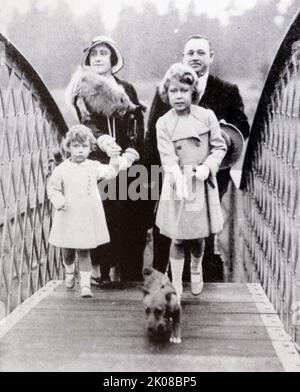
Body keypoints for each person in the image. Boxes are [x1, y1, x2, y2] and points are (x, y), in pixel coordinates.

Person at [144, 34, 250, 280]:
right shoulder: (168, 86)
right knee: (166, 229)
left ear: (210, 57)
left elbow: (242, 127)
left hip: (207, 175)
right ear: (183, 57)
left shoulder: (227, 90)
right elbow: (152, 132)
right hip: (171, 174)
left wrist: (224, 129)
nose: (195, 57)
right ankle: (163, 282)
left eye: (200, 52)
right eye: (190, 52)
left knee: (201, 230)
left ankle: (198, 282)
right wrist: (155, 175)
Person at [66, 36, 146, 283]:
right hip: (100, 159)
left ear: (113, 59)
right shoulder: (82, 87)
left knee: (132, 218)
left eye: (103, 53)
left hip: (128, 162)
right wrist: (100, 140)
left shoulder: (127, 88)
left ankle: (130, 275)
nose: (98, 57)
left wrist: (132, 151)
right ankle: (102, 272)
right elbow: (85, 119)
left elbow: (136, 120)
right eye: (94, 54)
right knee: (104, 214)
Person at [155, 63, 227, 298]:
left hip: (201, 182)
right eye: (173, 91)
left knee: (197, 236)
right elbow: (166, 156)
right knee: (177, 237)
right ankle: (176, 281)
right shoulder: (164, 122)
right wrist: (176, 175)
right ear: (167, 93)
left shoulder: (207, 116)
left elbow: (219, 146)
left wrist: (209, 166)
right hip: (178, 183)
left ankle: (196, 270)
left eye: (183, 91)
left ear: (193, 92)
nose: (178, 96)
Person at [47, 125, 121, 297]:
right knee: (68, 250)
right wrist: (59, 201)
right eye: (76, 146)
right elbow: (53, 188)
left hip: (87, 215)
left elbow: (110, 172)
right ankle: (70, 270)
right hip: (68, 213)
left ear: (90, 148)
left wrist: (115, 158)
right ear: (68, 148)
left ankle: (86, 285)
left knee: (84, 249)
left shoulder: (93, 166)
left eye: (84, 146)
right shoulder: (62, 169)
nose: (80, 151)